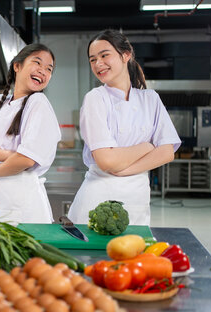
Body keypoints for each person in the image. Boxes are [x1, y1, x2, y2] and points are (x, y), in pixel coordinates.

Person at [68, 29, 181, 225]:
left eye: (104, 55)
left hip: (137, 199)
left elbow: (167, 152)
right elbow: (106, 161)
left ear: (125, 55)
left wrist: (123, 171)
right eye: (92, 59)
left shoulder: (150, 99)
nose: (98, 64)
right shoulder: (95, 98)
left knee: (133, 254)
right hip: (97, 198)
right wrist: (147, 147)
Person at [0, 43, 60, 225]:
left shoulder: (38, 102)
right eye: (37, 63)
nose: (43, 71)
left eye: (49, 69)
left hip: (27, 203)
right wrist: (13, 156)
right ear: (17, 66)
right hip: (1, 198)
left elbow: (26, 161)